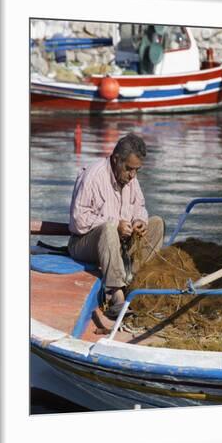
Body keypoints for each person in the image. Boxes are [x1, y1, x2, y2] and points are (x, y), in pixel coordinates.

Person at [68, 133, 164, 318]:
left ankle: (134, 282)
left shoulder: (131, 178)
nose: (132, 175)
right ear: (116, 159)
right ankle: (116, 297)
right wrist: (114, 224)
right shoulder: (93, 177)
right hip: (83, 243)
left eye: (137, 170)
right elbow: (78, 221)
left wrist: (139, 222)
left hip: (118, 243)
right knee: (109, 228)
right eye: (129, 169)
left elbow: (140, 207)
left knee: (157, 223)